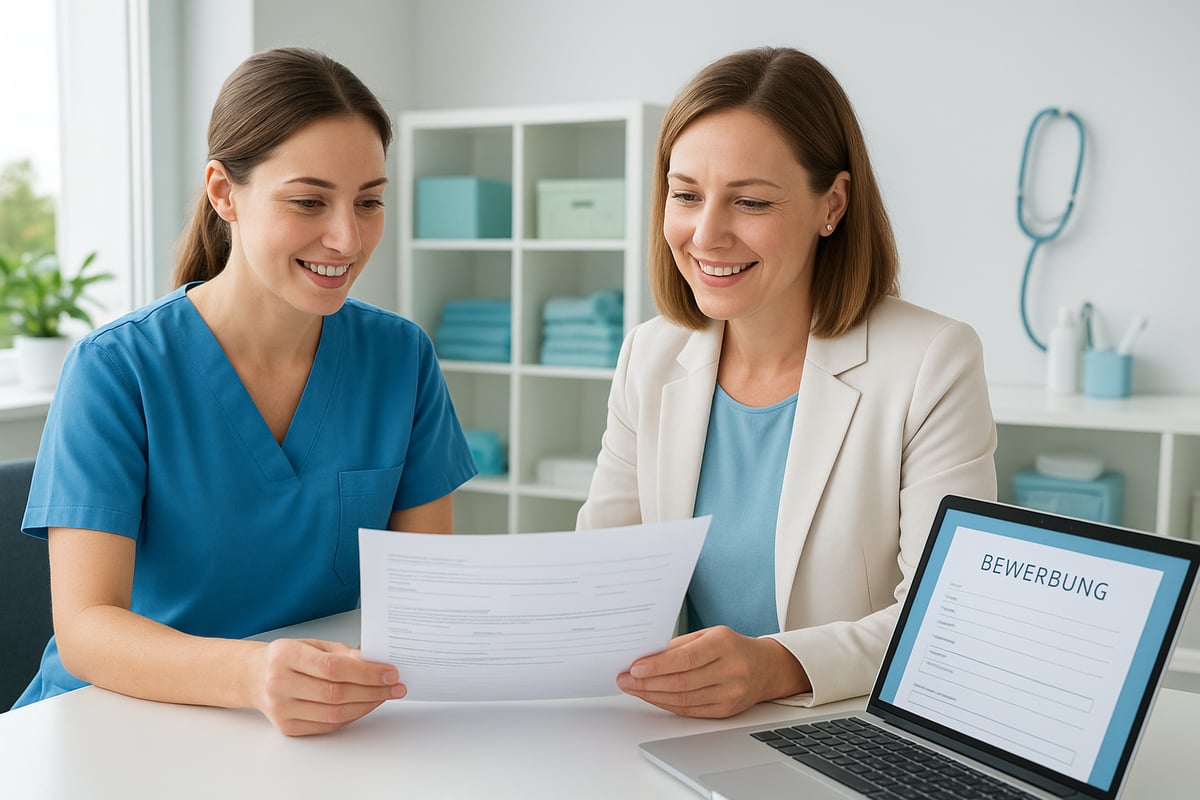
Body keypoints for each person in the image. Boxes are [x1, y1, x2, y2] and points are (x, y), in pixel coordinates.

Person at [14, 47, 477, 735]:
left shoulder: (399, 358)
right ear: (225, 193)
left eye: (369, 201)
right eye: (309, 201)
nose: (347, 237)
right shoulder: (115, 370)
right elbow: (86, 628)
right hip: (109, 724)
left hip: (311, 728)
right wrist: (253, 676)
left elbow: (427, 596)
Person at [577, 47, 997, 718]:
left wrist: (775, 666)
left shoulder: (931, 362)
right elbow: (600, 575)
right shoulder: (650, 355)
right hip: (669, 726)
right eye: (685, 195)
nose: (706, 234)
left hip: (840, 727)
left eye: (749, 201)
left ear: (832, 203)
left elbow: (945, 616)